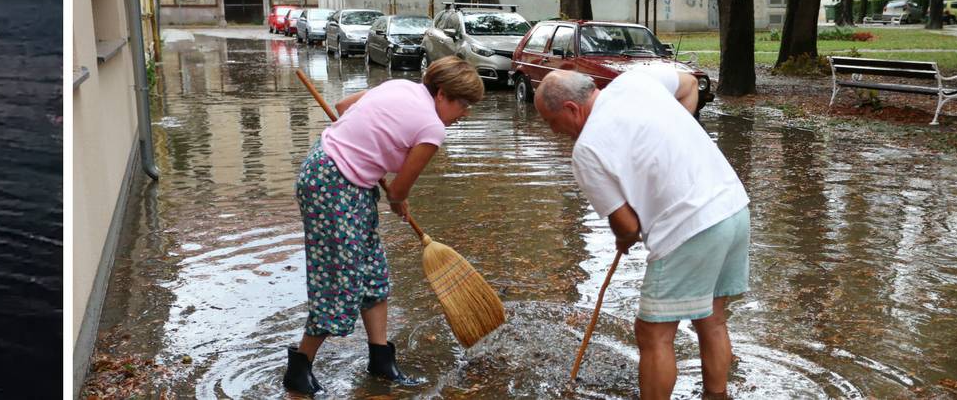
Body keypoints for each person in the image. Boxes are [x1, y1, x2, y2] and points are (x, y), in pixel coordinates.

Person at [534, 67, 749, 400]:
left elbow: (629, 226)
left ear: (571, 110)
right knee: (712, 320)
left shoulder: (587, 150)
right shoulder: (636, 80)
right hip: (733, 207)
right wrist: (671, 135)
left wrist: (622, 237)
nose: (554, 132)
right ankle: (716, 396)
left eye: (550, 122)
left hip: (689, 228)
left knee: (653, 334)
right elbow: (691, 84)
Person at [283, 57, 486, 396]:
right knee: (339, 280)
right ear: (442, 95)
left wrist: (369, 145)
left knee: (374, 273)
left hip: (329, 171)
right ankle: (299, 368)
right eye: (462, 104)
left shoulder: (400, 86)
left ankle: (380, 358)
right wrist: (398, 198)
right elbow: (401, 189)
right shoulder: (432, 128)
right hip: (333, 186)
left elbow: (343, 106)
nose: (464, 114)